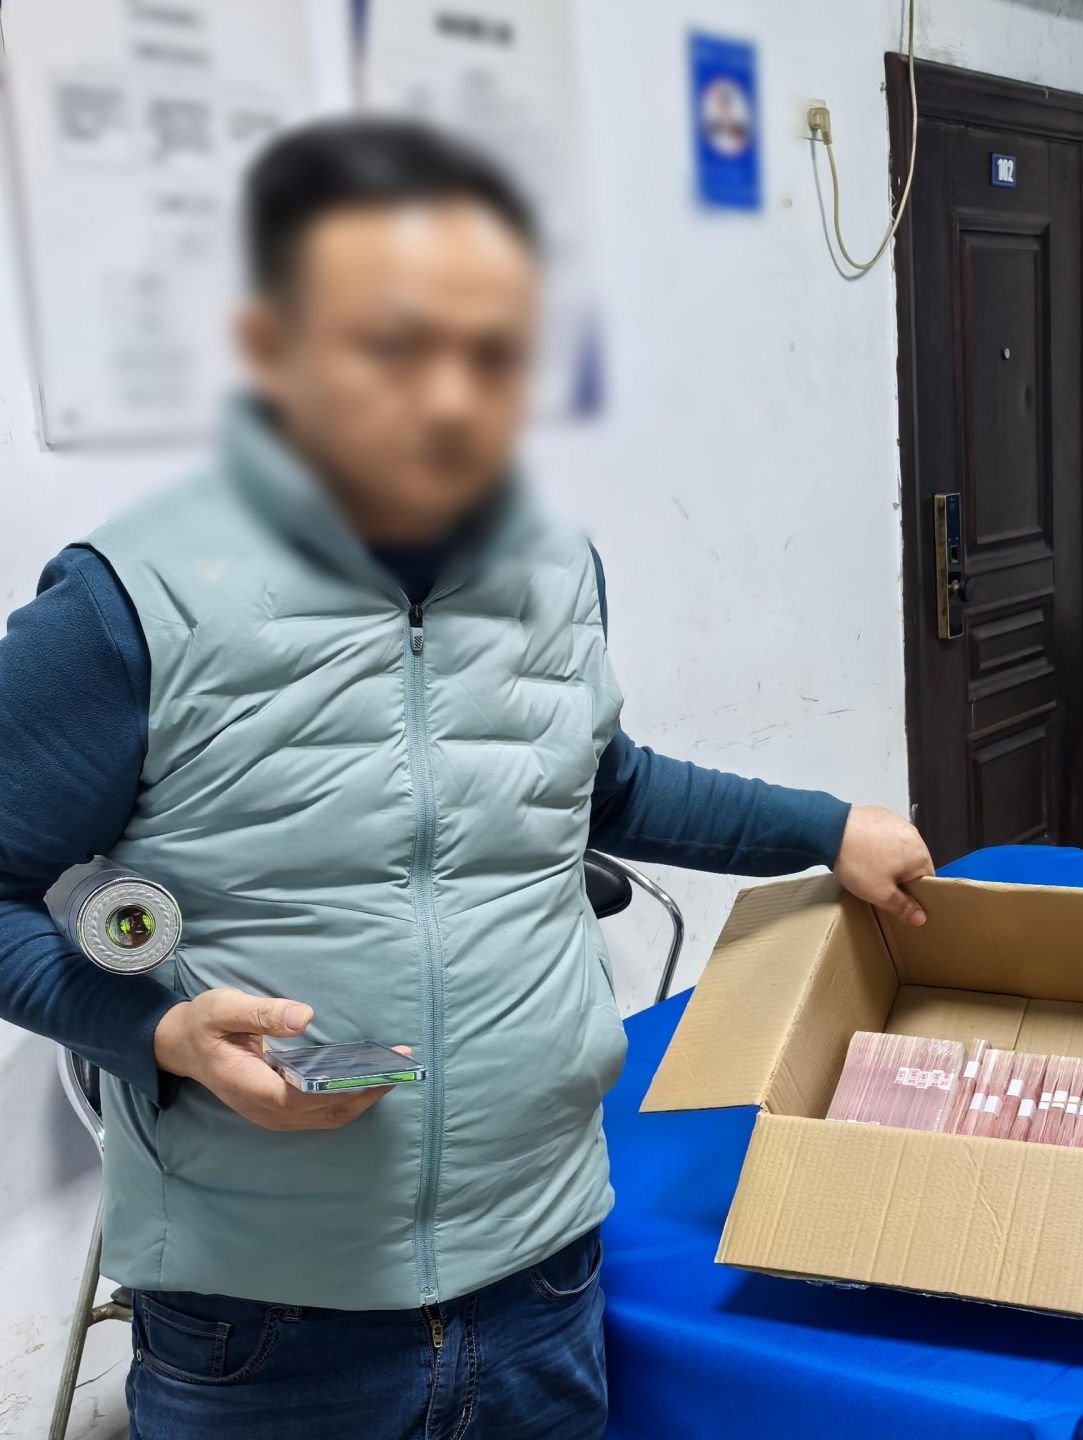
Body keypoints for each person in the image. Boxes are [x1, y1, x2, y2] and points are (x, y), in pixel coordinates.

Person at [0, 118, 931, 1439]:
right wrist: (153, 1032)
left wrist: (830, 827)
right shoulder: (130, 604)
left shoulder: (555, 567)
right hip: (264, 1328)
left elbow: (602, 791)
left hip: (543, 1281)